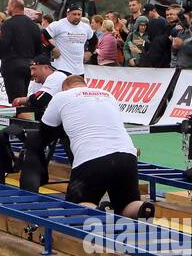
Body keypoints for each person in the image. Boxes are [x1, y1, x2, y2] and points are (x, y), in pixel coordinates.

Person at [40, 74, 152, 218]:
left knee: (74, 206)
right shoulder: (108, 95)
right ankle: (142, 208)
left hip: (91, 157)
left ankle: (98, 212)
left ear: (65, 87)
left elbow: (45, 132)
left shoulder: (62, 96)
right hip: (126, 154)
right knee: (127, 203)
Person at [0, 0, 45, 102]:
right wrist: (36, 68)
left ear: (13, 6)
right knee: (23, 99)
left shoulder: (8, 24)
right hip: (28, 67)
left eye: (8, 6)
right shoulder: (34, 26)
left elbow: (3, 46)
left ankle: (20, 118)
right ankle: (24, 117)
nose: (7, 8)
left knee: (16, 101)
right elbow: (39, 49)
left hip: (12, 67)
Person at [46, 5, 93, 76]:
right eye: (74, 14)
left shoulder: (85, 27)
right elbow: (42, 36)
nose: (77, 17)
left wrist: (89, 52)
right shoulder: (58, 25)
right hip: (61, 68)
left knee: (78, 87)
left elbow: (94, 40)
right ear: (67, 14)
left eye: (79, 14)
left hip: (79, 70)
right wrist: (53, 48)